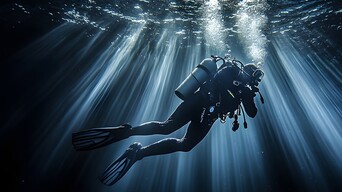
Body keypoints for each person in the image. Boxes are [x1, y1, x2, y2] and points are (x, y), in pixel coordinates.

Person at [72, 55, 265, 185]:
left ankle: (138, 152)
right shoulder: (232, 71)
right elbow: (218, 81)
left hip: (209, 116)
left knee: (186, 145)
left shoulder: (245, 92)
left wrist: (247, 95)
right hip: (198, 103)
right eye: (255, 76)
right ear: (247, 71)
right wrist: (238, 88)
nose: (255, 81)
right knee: (167, 127)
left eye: (257, 79)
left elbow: (252, 113)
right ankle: (128, 131)